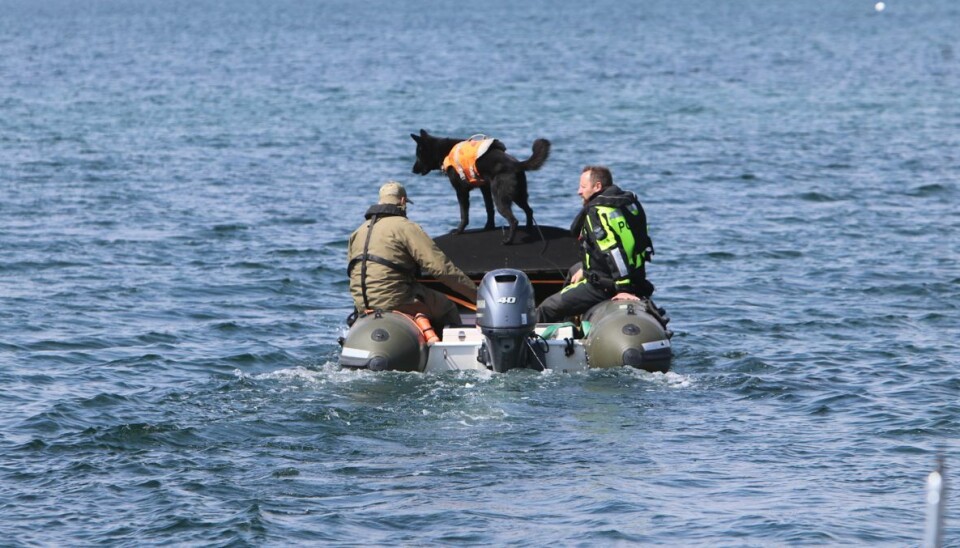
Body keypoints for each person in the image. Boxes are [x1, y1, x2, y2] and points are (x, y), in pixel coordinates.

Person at [347, 181, 477, 330]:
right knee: (446, 307)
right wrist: (476, 295)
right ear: (403, 201)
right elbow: (441, 269)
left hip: (362, 303)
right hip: (395, 299)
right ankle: (448, 350)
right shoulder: (406, 227)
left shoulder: (358, 232)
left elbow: (354, 272)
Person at [536, 166, 656, 323]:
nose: (579, 191)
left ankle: (536, 341)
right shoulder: (628, 204)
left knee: (547, 307)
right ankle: (572, 322)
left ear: (597, 186)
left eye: (583, 187)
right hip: (637, 278)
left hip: (606, 285)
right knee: (575, 270)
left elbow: (613, 251)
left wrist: (623, 289)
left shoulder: (597, 212)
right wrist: (586, 270)